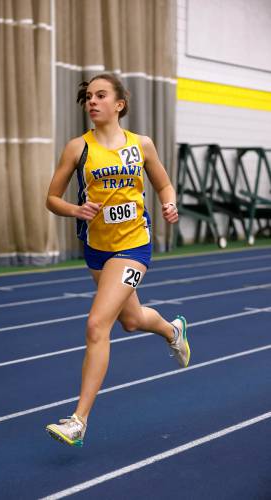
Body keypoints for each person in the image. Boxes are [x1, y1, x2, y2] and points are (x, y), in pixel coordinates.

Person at [45, 73, 190, 447]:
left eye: (100, 95)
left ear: (119, 104)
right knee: (131, 320)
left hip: (133, 246)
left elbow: (163, 183)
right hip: (97, 249)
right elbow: (52, 198)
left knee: (97, 325)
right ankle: (173, 331)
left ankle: (78, 421)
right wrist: (76, 210)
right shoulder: (78, 148)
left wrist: (169, 203)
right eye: (88, 96)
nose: (92, 101)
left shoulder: (141, 144)